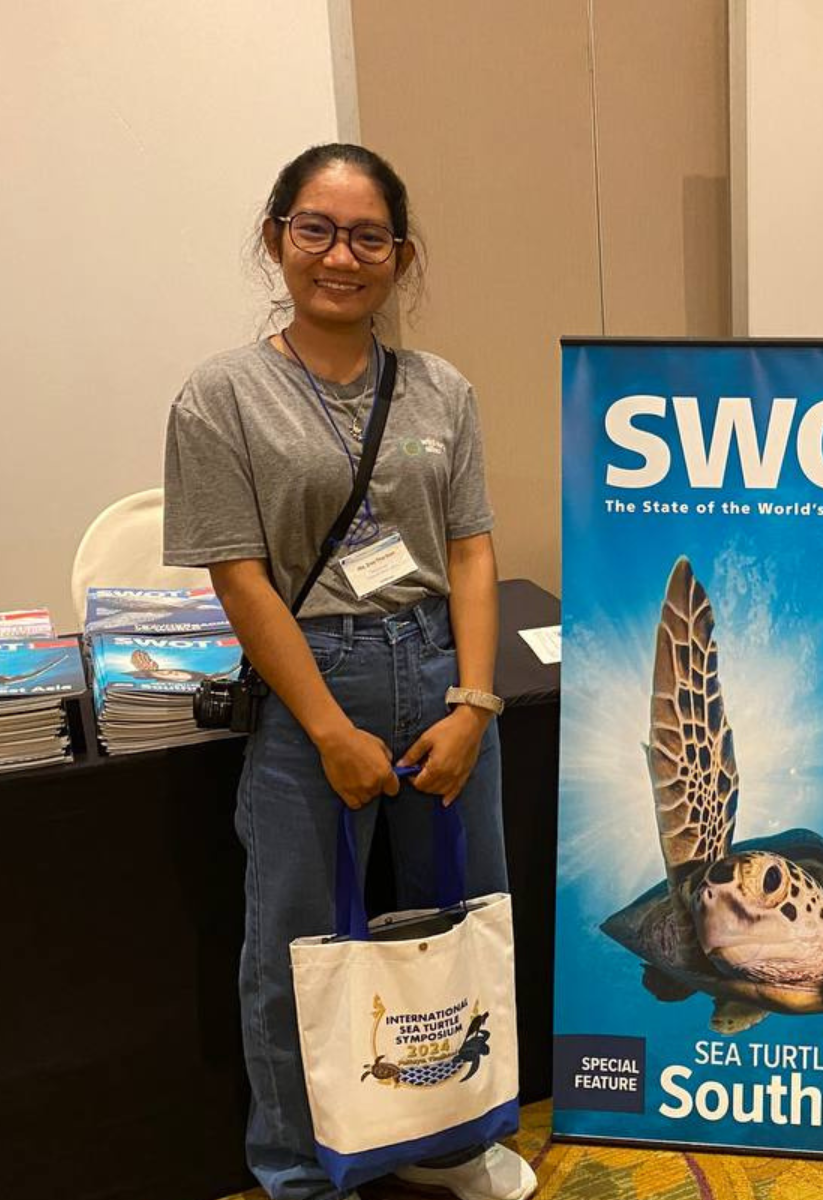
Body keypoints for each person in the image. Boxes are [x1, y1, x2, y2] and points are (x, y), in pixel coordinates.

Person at [163, 144, 536, 1200]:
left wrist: (474, 701)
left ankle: (450, 1138)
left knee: (460, 913)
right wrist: (326, 727)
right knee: (297, 943)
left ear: (401, 255)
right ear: (275, 238)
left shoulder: (440, 389)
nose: (342, 255)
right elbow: (239, 577)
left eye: (369, 236)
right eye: (316, 230)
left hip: (439, 668)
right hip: (309, 679)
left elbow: (470, 551)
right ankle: (297, 1172)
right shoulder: (222, 395)